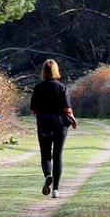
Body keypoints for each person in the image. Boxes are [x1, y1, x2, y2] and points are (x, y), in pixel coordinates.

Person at [30, 59, 77, 199]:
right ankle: (56, 189)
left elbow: (33, 109)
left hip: (44, 122)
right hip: (60, 124)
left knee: (45, 154)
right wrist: (73, 119)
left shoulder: (38, 88)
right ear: (56, 70)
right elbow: (67, 109)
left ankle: (48, 175)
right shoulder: (62, 87)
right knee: (58, 155)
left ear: (43, 71)